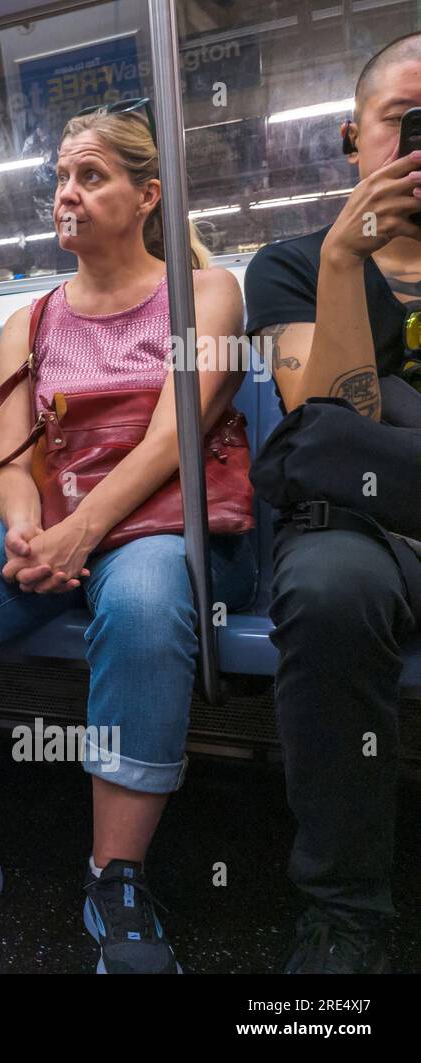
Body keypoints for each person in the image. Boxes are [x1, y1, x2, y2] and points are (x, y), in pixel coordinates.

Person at [0, 102, 257, 974]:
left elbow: (175, 437)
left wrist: (79, 531)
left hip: (158, 515)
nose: (68, 194)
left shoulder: (205, 294)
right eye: (60, 176)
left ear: (146, 195)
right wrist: (22, 527)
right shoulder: (31, 318)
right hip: (54, 518)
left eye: (91, 176)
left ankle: (113, 874)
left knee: (141, 600)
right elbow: (10, 453)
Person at [245, 31, 421, 973]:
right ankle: (344, 910)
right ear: (356, 139)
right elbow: (326, 414)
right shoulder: (291, 262)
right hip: (362, 525)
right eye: (404, 121)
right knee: (328, 591)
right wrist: (348, 260)